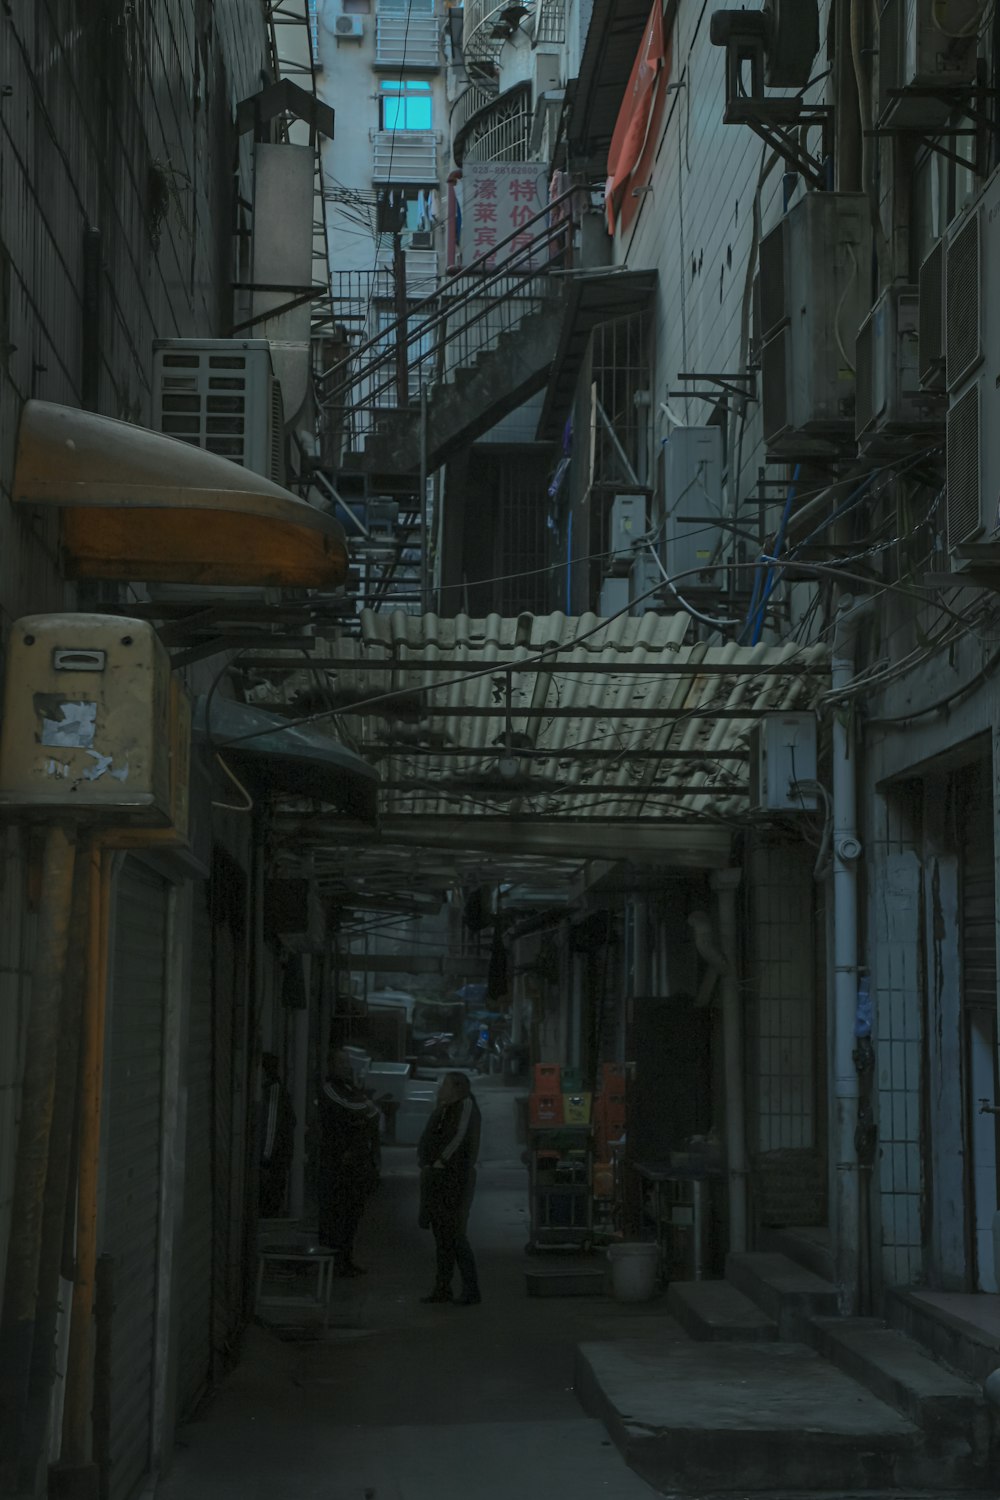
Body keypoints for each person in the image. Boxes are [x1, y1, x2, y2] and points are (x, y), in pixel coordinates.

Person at [417, 1071, 481, 1306]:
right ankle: (442, 1287)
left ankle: (471, 1288)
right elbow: (427, 1137)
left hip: (455, 1178)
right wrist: (425, 1161)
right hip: (437, 1176)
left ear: (456, 1088)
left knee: (454, 1233)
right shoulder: (444, 1109)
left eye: (444, 1084)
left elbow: (459, 1137)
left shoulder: (465, 1107)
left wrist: (440, 1161)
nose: (439, 1088)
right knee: (442, 1235)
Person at [316, 1048, 381, 1276]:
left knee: (352, 1215)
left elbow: (370, 1114)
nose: (346, 1066)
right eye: (341, 1062)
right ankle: (333, 1262)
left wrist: (367, 1111)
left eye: (347, 1062)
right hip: (338, 1165)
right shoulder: (331, 1090)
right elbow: (357, 1108)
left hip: (356, 1164)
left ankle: (345, 1259)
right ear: (331, 1065)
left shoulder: (349, 1088)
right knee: (337, 1214)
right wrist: (367, 1109)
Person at [259, 1053, 295, 1218]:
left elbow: (271, 1126)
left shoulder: (273, 1091)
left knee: (268, 1206)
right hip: (278, 1160)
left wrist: (265, 1158)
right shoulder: (275, 1090)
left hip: (273, 1162)